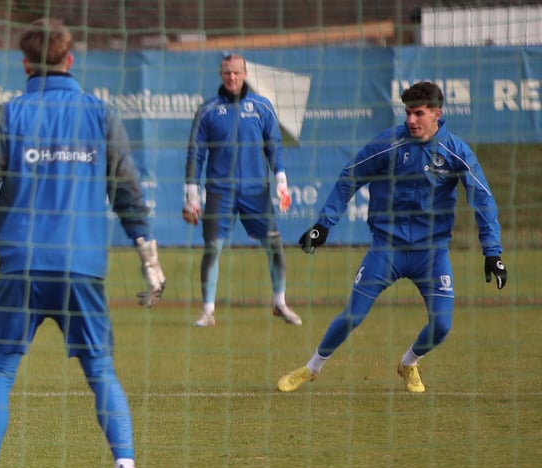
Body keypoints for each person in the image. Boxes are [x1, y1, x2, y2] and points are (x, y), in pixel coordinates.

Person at [0, 18, 165, 468]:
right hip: (82, 267)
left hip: (21, 268)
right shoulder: (100, 114)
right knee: (101, 372)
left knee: (1, 374)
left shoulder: (7, 114)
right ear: (71, 60)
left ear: (25, 64)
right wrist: (149, 259)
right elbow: (128, 192)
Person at [277, 81, 507, 394]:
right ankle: (312, 368)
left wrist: (492, 251)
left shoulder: (456, 151)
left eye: (419, 113)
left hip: (431, 253)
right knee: (352, 315)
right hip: (388, 249)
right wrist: (323, 225)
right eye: (408, 113)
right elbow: (350, 176)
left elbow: (483, 200)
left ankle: (409, 362)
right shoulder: (389, 144)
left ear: (437, 113)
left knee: (442, 326)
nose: (411, 120)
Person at [182, 52, 301, 327]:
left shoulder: (262, 107)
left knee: (274, 245)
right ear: (221, 75)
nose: (232, 77)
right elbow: (195, 154)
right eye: (226, 73)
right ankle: (208, 310)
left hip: (256, 192)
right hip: (219, 192)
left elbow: (274, 146)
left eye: (236, 72)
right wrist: (191, 193)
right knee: (212, 248)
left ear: (245, 74)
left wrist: (281, 180)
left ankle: (280, 302)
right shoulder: (208, 110)